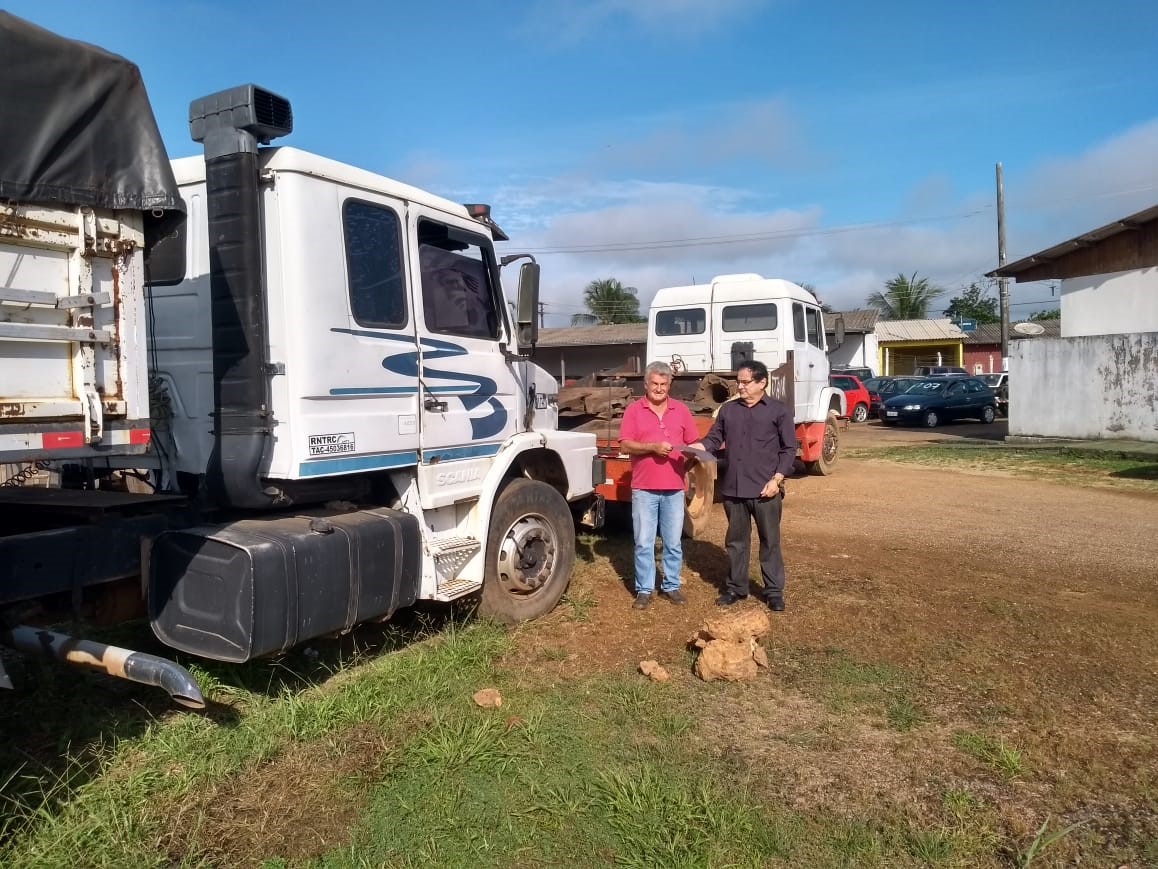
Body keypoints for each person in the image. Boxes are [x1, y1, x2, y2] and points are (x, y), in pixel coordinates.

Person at [695, 359, 796, 611]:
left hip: (765, 490)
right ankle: (736, 588)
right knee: (736, 542)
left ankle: (773, 592)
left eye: (745, 382)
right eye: (737, 382)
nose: (739, 387)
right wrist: (699, 447)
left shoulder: (778, 411)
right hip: (734, 489)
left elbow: (789, 449)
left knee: (769, 541)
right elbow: (715, 438)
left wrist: (777, 479)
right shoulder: (729, 411)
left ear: (762, 383)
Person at [618, 361, 701, 610]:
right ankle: (644, 589)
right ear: (646, 384)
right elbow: (624, 444)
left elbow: (693, 444)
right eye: (654, 383)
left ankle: (671, 586)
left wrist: (693, 456)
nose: (659, 388)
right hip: (644, 487)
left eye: (664, 384)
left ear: (669, 385)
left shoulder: (681, 410)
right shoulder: (634, 410)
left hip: (674, 488)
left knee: (673, 541)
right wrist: (652, 447)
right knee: (644, 541)